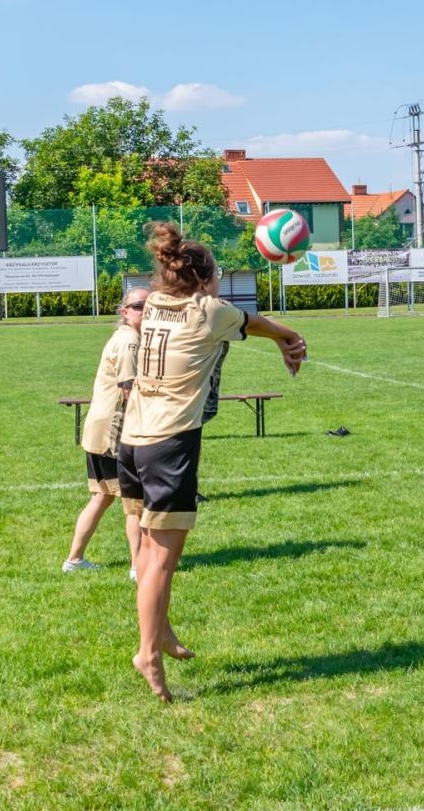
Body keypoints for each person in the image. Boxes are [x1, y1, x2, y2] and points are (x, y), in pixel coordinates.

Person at [119, 222, 305, 701]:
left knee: (152, 554)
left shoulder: (156, 303)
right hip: (169, 444)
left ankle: (161, 630)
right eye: (217, 276)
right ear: (205, 280)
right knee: (161, 559)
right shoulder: (209, 311)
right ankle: (148, 653)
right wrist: (291, 337)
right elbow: (259, 324)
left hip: (132, 441)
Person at [63, 287, 148, 576]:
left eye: (150, 304)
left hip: (98, 429)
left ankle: (74, 560)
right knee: (135, 502)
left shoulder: (126, 337)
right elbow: (129, 389)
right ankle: (138, 567)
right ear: (125, 312)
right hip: (114, 430)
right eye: (138, 306)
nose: (144, 309)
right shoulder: (130, 341)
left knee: (102, 496)